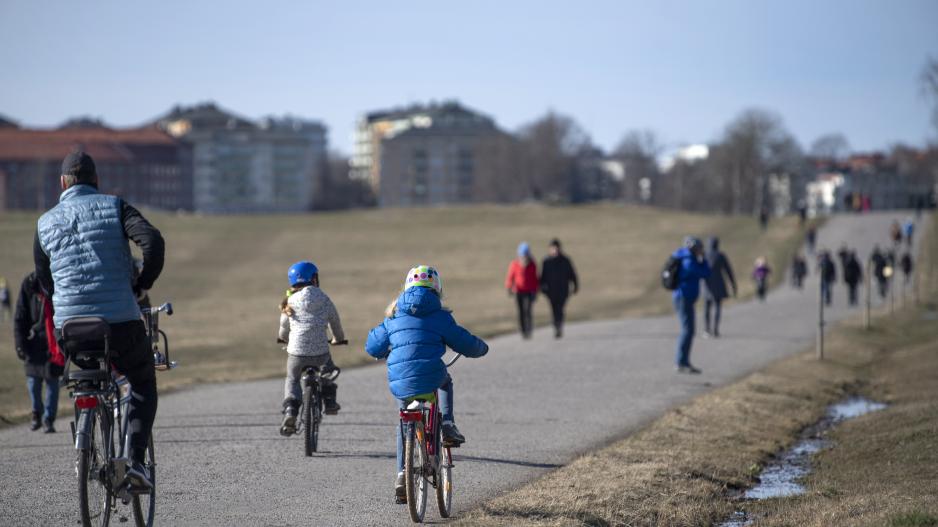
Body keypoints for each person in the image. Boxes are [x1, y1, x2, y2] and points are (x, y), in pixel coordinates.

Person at [34, 150, 164, 491]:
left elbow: (43, 281)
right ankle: (135, 462)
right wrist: (141, 283)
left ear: (62, 183)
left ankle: (87, 447)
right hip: (120, 322)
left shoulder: (44, 223)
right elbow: (152, 241)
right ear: (97, 181)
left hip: (71, 328)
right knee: (142, 382)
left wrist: (65, 297)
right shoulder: (114, 206)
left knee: (85, 379)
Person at [366, 265, 489, 502]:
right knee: (445, 382)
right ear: (437, 289)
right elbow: (465, 343)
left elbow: (372, 346)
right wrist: (482, 348)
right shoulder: (441, 316)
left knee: (404, 420)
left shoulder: (394, 315)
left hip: (401, 381)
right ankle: (448, 424)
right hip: (432, 374)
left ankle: (402, 472)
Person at [278, 261, 346, 436]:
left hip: (296, 353)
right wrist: (338, 339)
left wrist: (283, 338)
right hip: (320, 352)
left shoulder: (290, 300)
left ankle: (291, 411)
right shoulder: (324, 298)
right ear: (314, 278)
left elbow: (284, 325)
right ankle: (330, 402)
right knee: (328, 371)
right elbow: (335, 322)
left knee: (292, 379)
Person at [13, 272, 66, 433]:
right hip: (33, 342)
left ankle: (48, 419)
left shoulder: (59, 281)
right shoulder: (29, 284)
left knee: (52, 383)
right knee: (33, 383)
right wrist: (20, 344)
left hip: (54, 344)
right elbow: (20, 317)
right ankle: (37, 412)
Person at [671, 237, 710, 374]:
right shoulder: (688, 261)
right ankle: (681, 362)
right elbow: (706, 273)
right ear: (693, 248)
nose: (701, 250)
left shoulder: (686, 258)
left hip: (685, 298)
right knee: (688, 330)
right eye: (700, 248)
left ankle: (683, 361)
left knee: (688, 330)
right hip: (683, 298)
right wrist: (703, 260)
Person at [539, 239, 578, 339]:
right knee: (554, 308)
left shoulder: (565, 260)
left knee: (560, 308)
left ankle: (559, 325)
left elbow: (572, 274)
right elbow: (542, 276)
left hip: (563, 290)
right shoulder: (546, 261)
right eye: (553, 248)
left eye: (556, 248)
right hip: (551, 291)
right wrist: (541, 287)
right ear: (550, 249)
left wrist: (575, 285)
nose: (555, 250)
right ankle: (556, 326)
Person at [703, 237, 737, 338]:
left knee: (707, 307)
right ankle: (715, 330)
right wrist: (733, 285)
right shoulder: (721, 255)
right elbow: (728, 271)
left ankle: (707, 329)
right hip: (719, 284)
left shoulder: (704, 255)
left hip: (707, 285)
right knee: (717, 307)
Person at [505, 242, 539, 339]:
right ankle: (523, 330)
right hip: (518, 292)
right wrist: (509, 287)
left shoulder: (532, 264)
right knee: (521, 312)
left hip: (529, 292)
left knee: (527, 310)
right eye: (522, 255)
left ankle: (529, 329)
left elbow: (535, 279)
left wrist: (535, 291)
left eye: (525, 255)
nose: (524, 257)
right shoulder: (514, 264)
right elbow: (510, 277)